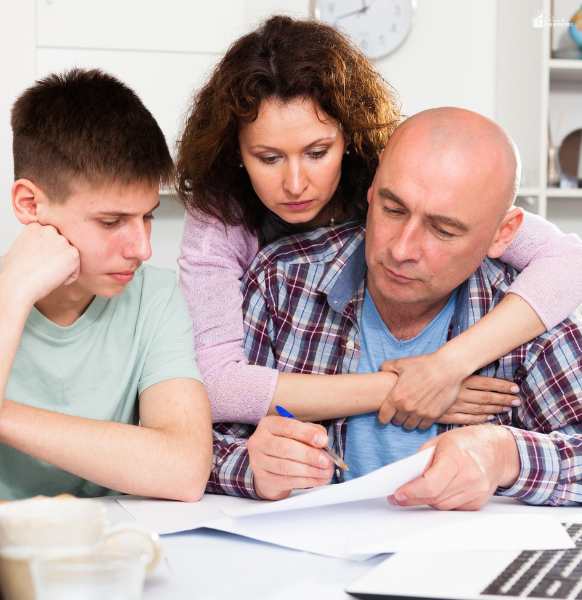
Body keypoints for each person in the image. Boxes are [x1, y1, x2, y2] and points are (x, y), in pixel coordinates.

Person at [176, 15, 582, 432]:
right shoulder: (220, 222)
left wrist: (447, 367)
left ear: (348, 135)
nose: (295, 184)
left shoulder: (391, 177)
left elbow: (568, 258)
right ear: (235, 151)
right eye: (268, 158)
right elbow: (216, 383)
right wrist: (402, 389)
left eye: (317, 152)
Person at [208, 108, 582, 509]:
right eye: (392, 209)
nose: (401, 250)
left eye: (443, 230)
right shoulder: (281, 281)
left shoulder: (531, 310)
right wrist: (251, 465)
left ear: (503, 234)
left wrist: (505, 454)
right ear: (373, 185)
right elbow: (194, 440)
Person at [0, 68, 212, 501]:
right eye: (111, 222)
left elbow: (185, 470)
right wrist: (13, 290)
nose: (143, 249)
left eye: (147, 216)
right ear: (30, 204)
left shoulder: (155, 297)